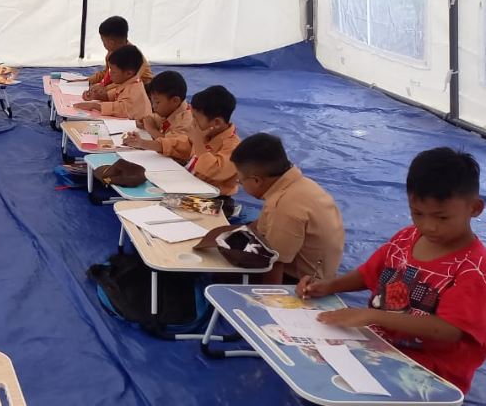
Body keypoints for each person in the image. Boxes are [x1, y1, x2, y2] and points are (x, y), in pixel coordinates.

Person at [298, 148, 486, 393]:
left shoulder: (474, 269)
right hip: (377, 348)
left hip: (429, 376)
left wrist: (373, 316)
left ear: (475, 208)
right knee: (307, 360)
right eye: (417, 213)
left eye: (442, 217)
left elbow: (450, 330)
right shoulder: (407, 237)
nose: (428, 226)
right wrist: (328, 285)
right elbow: (369, 273)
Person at [231, 133, 345, 284]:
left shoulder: (284, 205)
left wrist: (268, 300)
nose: (240, 184)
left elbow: (275, 263)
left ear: (257, 180)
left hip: (302, 283)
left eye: (240, 180)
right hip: (322, 274)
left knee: (220, 273)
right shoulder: (301, 185)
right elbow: (259, 226)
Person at [186, 85, 241, 212]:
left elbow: (214, 170)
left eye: (196, 118)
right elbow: (184, 145)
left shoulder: (234, 147)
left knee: (171, 204)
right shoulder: (206, 134)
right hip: (194, 189)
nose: (192, 123)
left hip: (217, 201)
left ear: (216, 123)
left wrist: (198, 141)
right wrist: (148, 144)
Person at [72, 16, 153, 100]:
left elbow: (130, 81)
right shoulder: (112, 52)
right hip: (121, 84)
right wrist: (87, 80)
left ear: (111, 43)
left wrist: (105, 88)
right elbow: (108, 73)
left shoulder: (134, 56)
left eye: (103, 42)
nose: (103, 45)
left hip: (143, 88)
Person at [123, 70, 193, 162]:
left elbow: (171, 145)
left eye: (157, 102)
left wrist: (151, 130)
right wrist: (144, 122)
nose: (153, 106)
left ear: (175, 100)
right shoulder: (170, 109)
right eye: (153, 102)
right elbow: (152, 119)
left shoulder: (186, 121)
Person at [71, 44, 152, 120]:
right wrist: (94, 96)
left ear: (128, 73)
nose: (109, 74)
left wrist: (94, 106)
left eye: (113, 72)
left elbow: (119, 109)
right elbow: (110, 96)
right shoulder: (126, 83)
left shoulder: (135, 91)